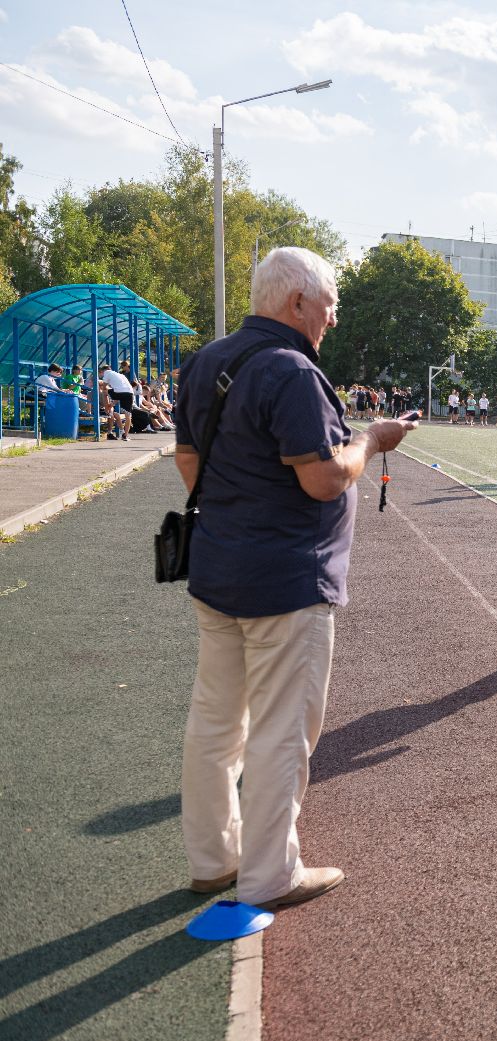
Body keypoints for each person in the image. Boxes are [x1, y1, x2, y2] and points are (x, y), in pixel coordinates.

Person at [173, 246, 417, 911]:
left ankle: (213, 859)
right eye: (330, 305)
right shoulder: (292, 370)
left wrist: (236, 509)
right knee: (282, 730)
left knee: (215, 722)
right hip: (286, 580)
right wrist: (372, 441)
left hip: (218, 569)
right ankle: (270, 874)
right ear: (298, 302)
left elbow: (188, 459)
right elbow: (325, 478)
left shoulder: (206, 361)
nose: (333, 318)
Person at [99, 362, 135, 440]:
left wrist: (107, 405)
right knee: (128, 415)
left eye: (101, 373)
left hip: (120, 392)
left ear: (103, 371)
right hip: (130, 393)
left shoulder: (107, 373)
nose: (101, 375)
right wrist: (111, 404)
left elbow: (104, 387)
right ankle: (125, 435)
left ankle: (107, 410)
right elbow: (118, 396)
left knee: (104, 391)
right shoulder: (121, 375)